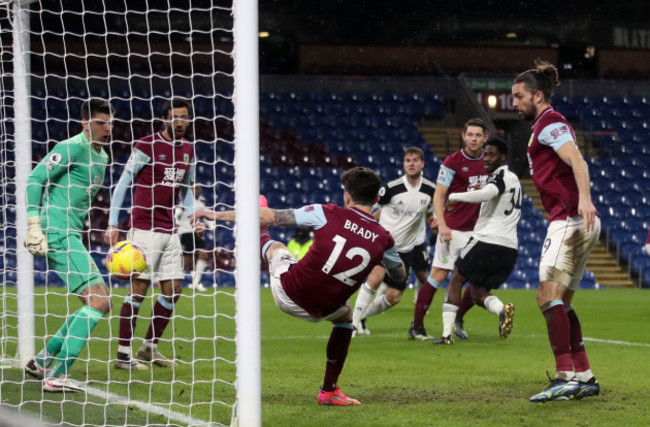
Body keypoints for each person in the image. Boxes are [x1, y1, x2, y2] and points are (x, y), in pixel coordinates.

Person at [192, 167, 406, 406]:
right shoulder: (385, 239)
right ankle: (329, 391)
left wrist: (213, 214)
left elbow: (270, 216)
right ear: (377, 199)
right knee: (346, 316)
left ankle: (258, 235)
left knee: (278, 248)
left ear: (347, 195)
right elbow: (399, 274)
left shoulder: (326, 212)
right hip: (324, 309)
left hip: (288, 292)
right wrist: (386, 261)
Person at [512, 59, 601, 402]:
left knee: (546, 297)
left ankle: (564, 375)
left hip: (569, 219)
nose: (514, 103)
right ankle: (584, 375)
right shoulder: (543, 125)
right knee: (561, 301)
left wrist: (586, 200)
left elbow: (576, 159)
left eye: (519, 96)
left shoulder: (550, 122)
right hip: (573, 220)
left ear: (538, 95)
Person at [23, 99, 115, 392]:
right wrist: (33, 224)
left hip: (71, 232)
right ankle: (56, 376)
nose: (107, 128)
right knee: (99, 302)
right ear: (85, 124)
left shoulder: (102, 157)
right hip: (57, 231)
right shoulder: (71, 147)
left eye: (109, 122)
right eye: (101, 122)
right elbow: (36, 178)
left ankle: (41, 361)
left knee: (100, 302)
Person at [105, 98, 203, 370]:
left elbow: (186, 188)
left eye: (184, 117)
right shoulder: (147, 145)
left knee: (173, 291)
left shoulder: (189, 150)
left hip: (169, 229)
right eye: (175, 117)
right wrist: (113, 223)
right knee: (138, 290)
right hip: (143, 229)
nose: (180, 122)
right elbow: (123, 184)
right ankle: (123, 355)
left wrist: (194, 218)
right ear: (165, 120)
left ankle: (149, 348)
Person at [431, 137, 519, 344]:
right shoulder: (515, 180)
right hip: (510, 248)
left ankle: (446, 335)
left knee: (457, 278)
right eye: (485, 154)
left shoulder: (499, 176)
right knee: (478, 291)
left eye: (492, 155)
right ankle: (501, 309)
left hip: (487, 240)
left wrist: (454, 196)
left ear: (503, 157)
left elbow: (487, 193)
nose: (486, 159)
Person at [408, 118, 489, 341]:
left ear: (485, 138)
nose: (474, 139)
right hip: (453, 230)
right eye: (470, 134)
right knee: (438, 275)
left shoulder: (491, 163)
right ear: (463, 136)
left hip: (478, 232)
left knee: (479, 281)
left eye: (478, 135)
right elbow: (439, 194)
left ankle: (458, 318)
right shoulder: (453, 161)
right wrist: (442, 224)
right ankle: (417, 326)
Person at [352, 146, 435, 335]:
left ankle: (361, 317)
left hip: (406, 249)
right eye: (408, 160)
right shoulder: (391, 188)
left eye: (415, 160)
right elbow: (371, 208)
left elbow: (430, 211)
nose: (411, 164)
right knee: (375, 279)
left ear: (422, 164)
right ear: (403, 164)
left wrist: (435, 223)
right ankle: (352, 324)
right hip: (385, 243)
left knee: (393, 297)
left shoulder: (430, 189)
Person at [174, 184, 215, 292]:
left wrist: (212, 226)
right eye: (196, 188)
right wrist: (176, 222)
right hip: (185, 232)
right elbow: (177, 213)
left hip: (196, 232)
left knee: (204, 255)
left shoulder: (202, 201)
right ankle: (171, 279)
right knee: (186, 262)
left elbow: (207, 214)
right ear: (191, 189)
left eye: (200, 188)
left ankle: (196, 283)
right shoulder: (185, 201)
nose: (198, 189)